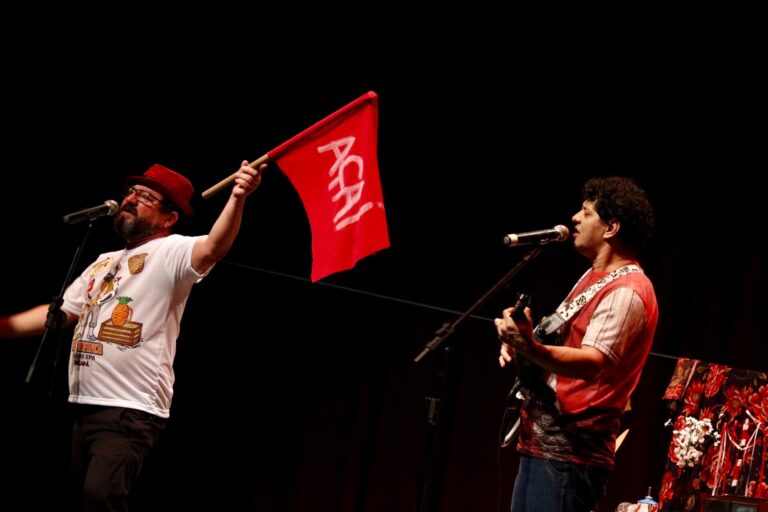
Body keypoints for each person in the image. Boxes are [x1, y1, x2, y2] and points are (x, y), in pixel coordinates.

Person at [0, 160, 264, 511]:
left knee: (101, 497)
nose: (130, 199)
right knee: (84, 500)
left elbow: (213, 246)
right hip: (85, 403)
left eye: (145, 197)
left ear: (170, 218)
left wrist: (239, 196)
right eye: (131, 192)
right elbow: (60, 314)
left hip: (129, 407)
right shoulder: (104, 260)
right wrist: (4, 326)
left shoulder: (169, 252)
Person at [494, 176, 658, 512]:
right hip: (542, 444)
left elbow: (591, 362)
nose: (574, 219)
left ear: (610, 227)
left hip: (572, 456)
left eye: (586, 212)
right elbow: (562, 344)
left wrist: (532, 349)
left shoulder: (627, 290)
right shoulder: (594, 277)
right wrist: (522, 342)